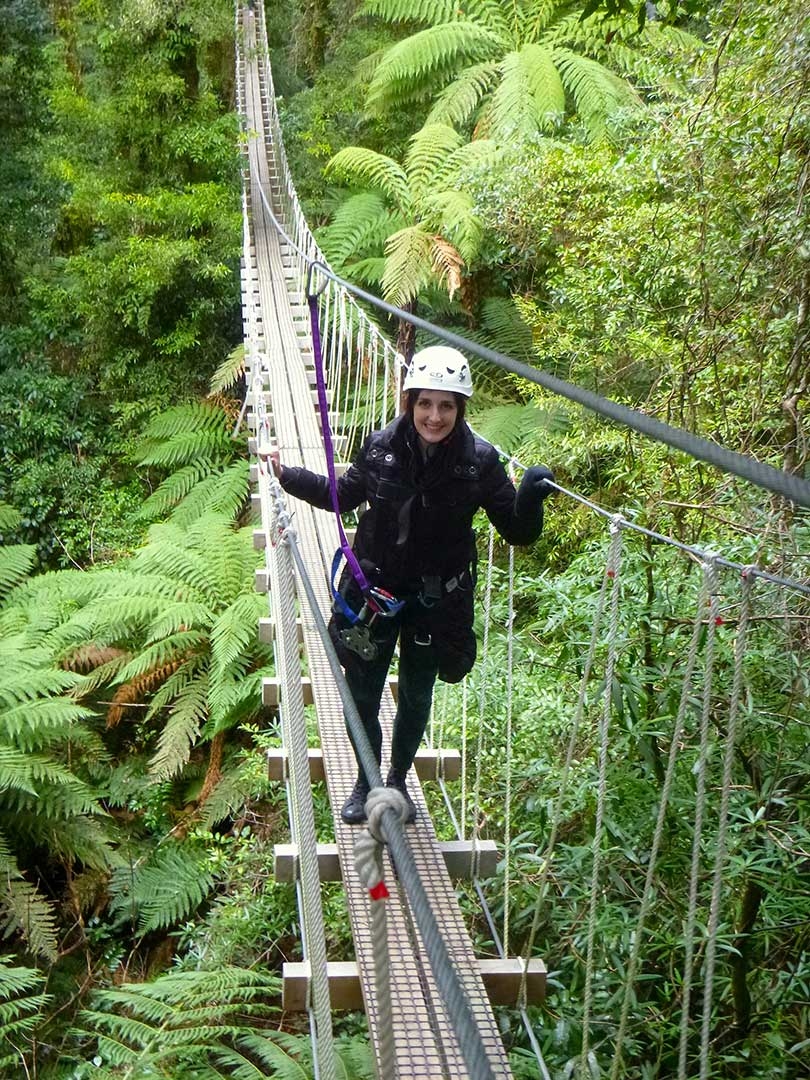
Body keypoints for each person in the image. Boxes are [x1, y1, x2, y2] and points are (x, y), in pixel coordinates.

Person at [267, 345, 553, 825]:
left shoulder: (480, 462)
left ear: (461, 409)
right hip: (375, 593)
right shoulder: (381, 447)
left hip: (434, 601)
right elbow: (342, 496)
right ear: (410, 402)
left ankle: (397, 779)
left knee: (418, 694)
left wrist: (530, 499)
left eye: (446, 405)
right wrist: (286, 475)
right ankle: (367, 779)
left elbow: (517, 531)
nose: (434, 416)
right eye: (425, 403)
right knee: (362, 692)